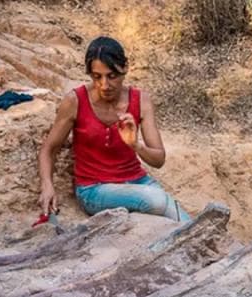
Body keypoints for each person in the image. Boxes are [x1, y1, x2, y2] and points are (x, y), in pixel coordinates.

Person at [38, 36, 189, 222]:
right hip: (94, 189)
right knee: (157, 200)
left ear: (125, 68)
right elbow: (49, 148)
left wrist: (135, 145)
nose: (104, 85)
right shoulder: (75, 101)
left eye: (112, 76)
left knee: (188, 224)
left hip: (138, 182)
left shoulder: (141, 100)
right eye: (97, 77)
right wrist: (47, 186)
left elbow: (158, 160)